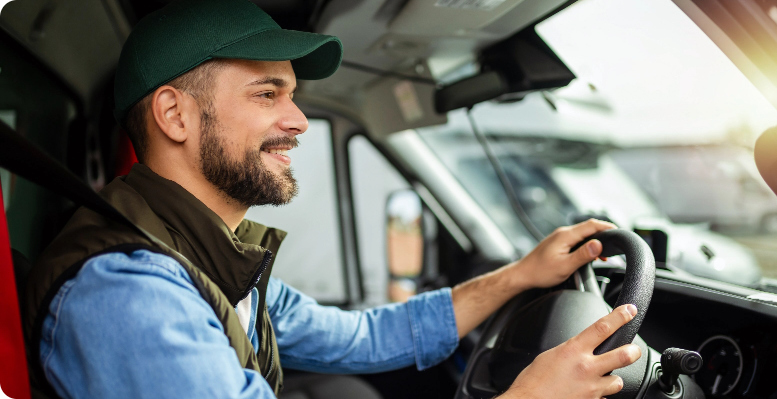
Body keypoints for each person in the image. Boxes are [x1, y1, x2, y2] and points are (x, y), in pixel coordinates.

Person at [22, 0, 641, 398]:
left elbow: (360, 336)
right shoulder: (130, 294)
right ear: (175, 115)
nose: (299, 122)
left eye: (293, 96)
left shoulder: (210, 253)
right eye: (268, 94)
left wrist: (518, 277)